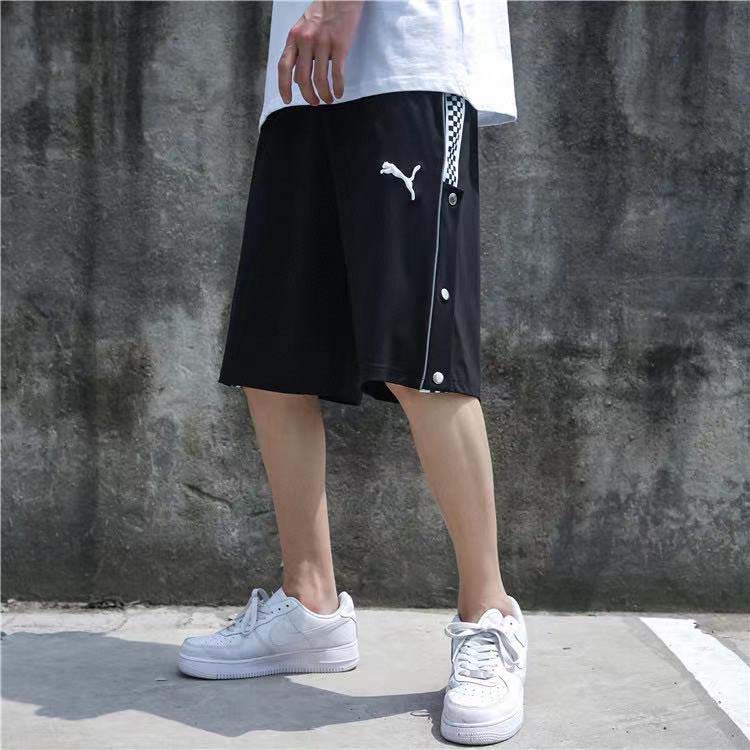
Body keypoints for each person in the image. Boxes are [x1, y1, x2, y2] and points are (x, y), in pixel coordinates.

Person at [178, 1, 527, 744]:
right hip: (302, 76)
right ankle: (309, 606)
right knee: (275, 356)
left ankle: (489, 615)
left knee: (423, 359)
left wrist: (337, 6)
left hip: (405, 56)